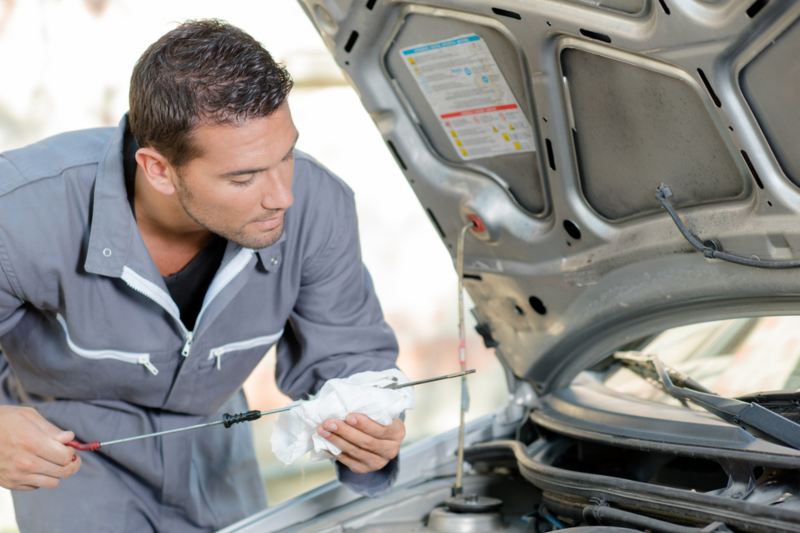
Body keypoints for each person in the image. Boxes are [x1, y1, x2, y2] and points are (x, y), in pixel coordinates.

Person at [0, 19, 405, 532]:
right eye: (243, 177)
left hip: (218, 448)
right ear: (159, 170)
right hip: (73, 449)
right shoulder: (19, 211)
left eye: (286, 156)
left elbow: (349, 358)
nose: (282, 196)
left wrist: (371, 428)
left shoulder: (319, 206)